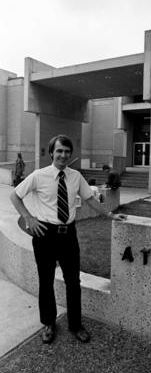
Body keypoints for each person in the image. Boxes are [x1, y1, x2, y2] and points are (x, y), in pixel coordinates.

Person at [10, 134, 126, 345]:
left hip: (68, 236)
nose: (63, 155)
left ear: (70, 154)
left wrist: (109, 215)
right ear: (52, 152)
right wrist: (28, 218)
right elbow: (15, 196)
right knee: (45, 281)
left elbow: (90, 199)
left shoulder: (75, 177)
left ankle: (75, 325)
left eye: (66, 151)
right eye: (59, 151)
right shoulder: (38, 175)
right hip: (45, 235)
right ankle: (48, 323)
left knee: (74, 281)